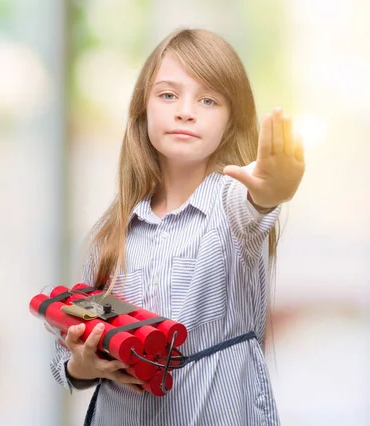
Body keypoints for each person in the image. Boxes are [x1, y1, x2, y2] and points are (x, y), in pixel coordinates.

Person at [49, 28, 305, 425]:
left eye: (208, 100)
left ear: (230, 120)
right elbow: (64, 360)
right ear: (143, 108)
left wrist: (274, 191)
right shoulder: (113, 235)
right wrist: (84, 366)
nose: (185, 110)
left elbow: (256, 206)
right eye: (168, 95)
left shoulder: (231, 207)